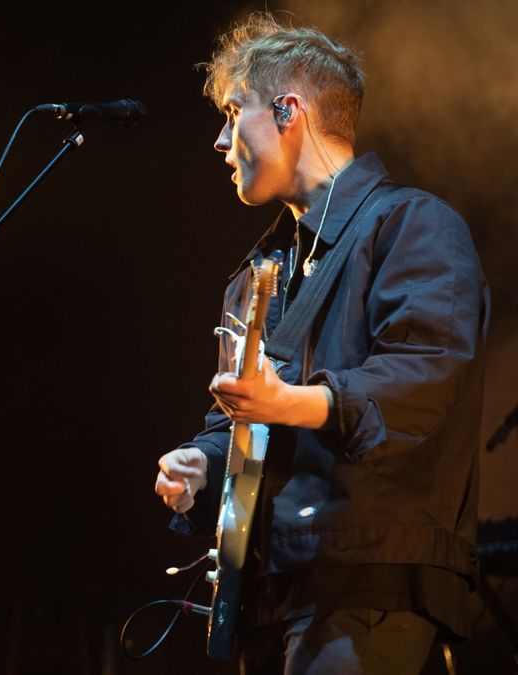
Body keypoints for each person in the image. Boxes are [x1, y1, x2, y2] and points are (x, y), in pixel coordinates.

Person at [152, 13, 489, 674]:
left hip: (366, 583)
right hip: (271, 592)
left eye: (232, 111)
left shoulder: (412, 224)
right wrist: (202, 461)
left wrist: (289, 402)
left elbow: (422, 382)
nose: (221, 140)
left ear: (289, 111)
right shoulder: (257, 275)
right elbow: (245, 418)